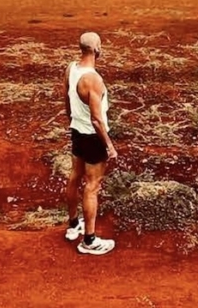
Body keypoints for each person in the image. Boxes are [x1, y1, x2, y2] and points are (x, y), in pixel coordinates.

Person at [64, 32, 117, 255]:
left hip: (77, 131)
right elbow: (96, 118)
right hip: (93, 136)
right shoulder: (93, 79)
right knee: (92, 186)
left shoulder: (71, 69)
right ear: (96, 49)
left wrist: (72, 122)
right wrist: (109, 145)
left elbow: (66, 98)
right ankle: (89, 240)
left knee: (75, 177)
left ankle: (73, 224)